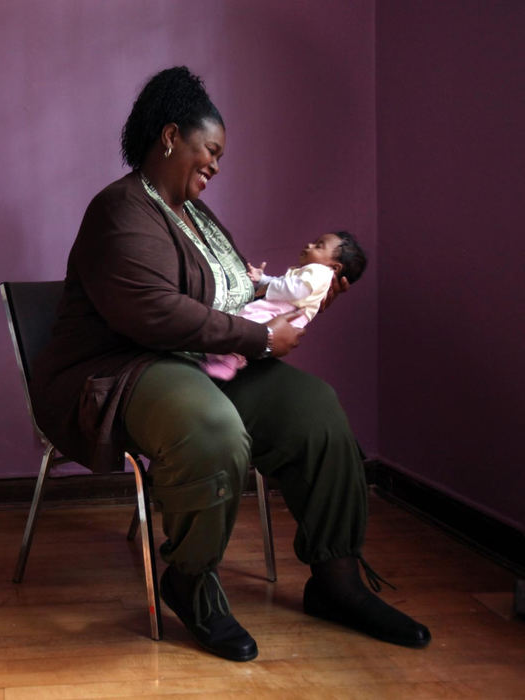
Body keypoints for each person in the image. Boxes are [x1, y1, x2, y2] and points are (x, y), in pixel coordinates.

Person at [29, 66, 430, 662]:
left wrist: (301, 301)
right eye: (209, 151)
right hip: (123, 369)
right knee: (210, 429)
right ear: (170, 136)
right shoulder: (119, 210)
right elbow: (154, 314)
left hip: (201, 362)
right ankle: (189, 579)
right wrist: (261, 341)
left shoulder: (199, 217)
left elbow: (235, 291)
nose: (216, 165)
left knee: (315, 409)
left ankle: (338, 580)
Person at [201, 231, 367, 380]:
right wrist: (262, 279)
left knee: (248, 326)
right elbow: (285, 284)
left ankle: (228, 363)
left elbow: (295, 291)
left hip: (284, 312)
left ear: (335, 267)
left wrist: (266, 286)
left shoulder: (320, 272)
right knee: (246, 324)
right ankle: (224, 358)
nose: (309, 245)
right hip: (284, 312)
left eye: (318, 246)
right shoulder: (315, 273)